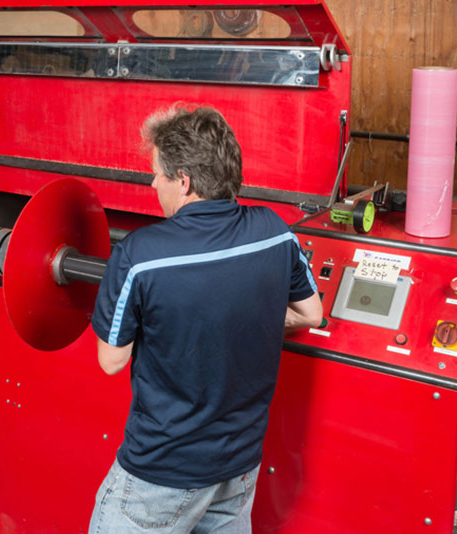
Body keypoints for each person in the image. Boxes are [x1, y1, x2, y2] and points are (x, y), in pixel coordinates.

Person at [89, 106, 323, 533]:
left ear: (184, 180)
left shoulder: (140, 256)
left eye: (158, 172)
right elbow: (312, 313)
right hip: (238, 468)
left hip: (161, 474)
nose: (152, 181)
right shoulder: (274, 230)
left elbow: (111, 360)